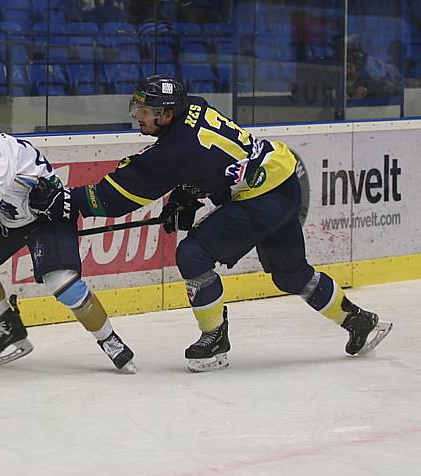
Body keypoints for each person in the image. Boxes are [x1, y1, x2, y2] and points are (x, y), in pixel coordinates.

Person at [29, 74, 392, 372]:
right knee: (290, 273)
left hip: (260, 200)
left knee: (192, 255)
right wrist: (186, 193)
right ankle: (359, 321)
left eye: (145, 110)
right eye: (136, 106)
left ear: (167, 114)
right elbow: (212, 158)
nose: (137, 115)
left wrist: (68, 200)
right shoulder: (194, 105)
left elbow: (114, 198)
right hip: (282, 178)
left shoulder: (172, 151)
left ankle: (215, 338)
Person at [0, 99, 137, 373]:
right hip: (5, 217)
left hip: (46, 213)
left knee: (63, 283)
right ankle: (8, 326)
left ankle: (109, 340)